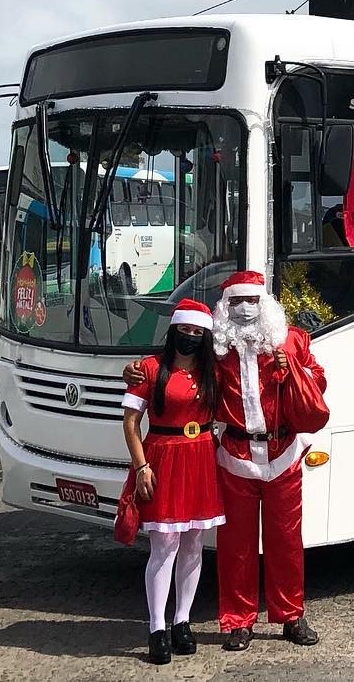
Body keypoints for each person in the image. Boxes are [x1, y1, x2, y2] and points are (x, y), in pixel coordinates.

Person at [124, 271, 325, 652]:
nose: (245, 308)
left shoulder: (293, 341)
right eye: (236, 302)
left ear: (265, 303)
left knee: (286, 540)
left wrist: (294, 369)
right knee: (236, 546)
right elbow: (173, 370)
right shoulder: (215, 350)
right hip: (234, 456)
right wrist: (132, 371)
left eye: (251, 300)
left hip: (283, 455)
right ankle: (238, 621)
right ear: (225, 307)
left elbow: (319, 381)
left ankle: (291, 615)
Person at [120, 298, 224, 665]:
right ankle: (156, 627)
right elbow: (131, 423)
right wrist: (141, 466)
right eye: (186, 330)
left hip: (201, 459)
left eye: (198, 332)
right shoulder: (149, 369)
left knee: (194, 544)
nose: (191, 337)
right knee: (164, 547)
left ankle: (183, 620)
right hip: (162, 458)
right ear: (174, 330)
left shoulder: (213, 372)